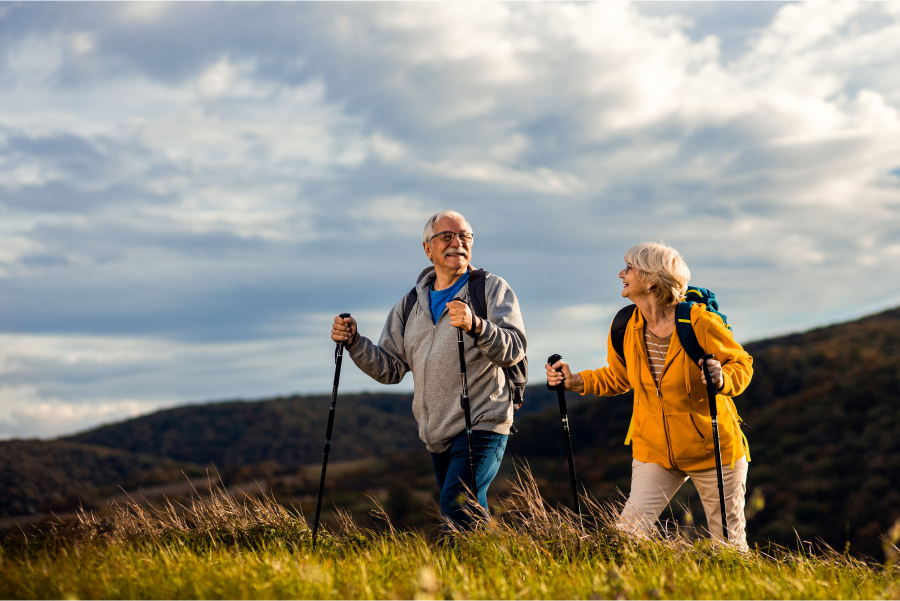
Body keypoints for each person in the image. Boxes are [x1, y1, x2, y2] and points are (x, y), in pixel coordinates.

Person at [545, 241, 753, 547]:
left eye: (629, 268)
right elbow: (618, 377)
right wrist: (574, 380)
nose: (621, 273)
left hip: (713, 450)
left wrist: (722, 379)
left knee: (729, 545)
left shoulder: (700, 323)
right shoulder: (625, 325)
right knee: (626, 537)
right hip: (654, 450)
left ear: (652, 279)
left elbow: (742, 364)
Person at [331, 210, 527, 530]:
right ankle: (492, 569)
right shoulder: (410, 305)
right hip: (437, 432)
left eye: (465, 236)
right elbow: (390, 368)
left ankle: (464, 575)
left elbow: (514, 347)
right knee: (467, 509)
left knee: (457, 505)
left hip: (483, 420)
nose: (457, 243)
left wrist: (476, 325)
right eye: (446, 237)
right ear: (428, 248)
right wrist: (354, 342)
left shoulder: (490, 289)